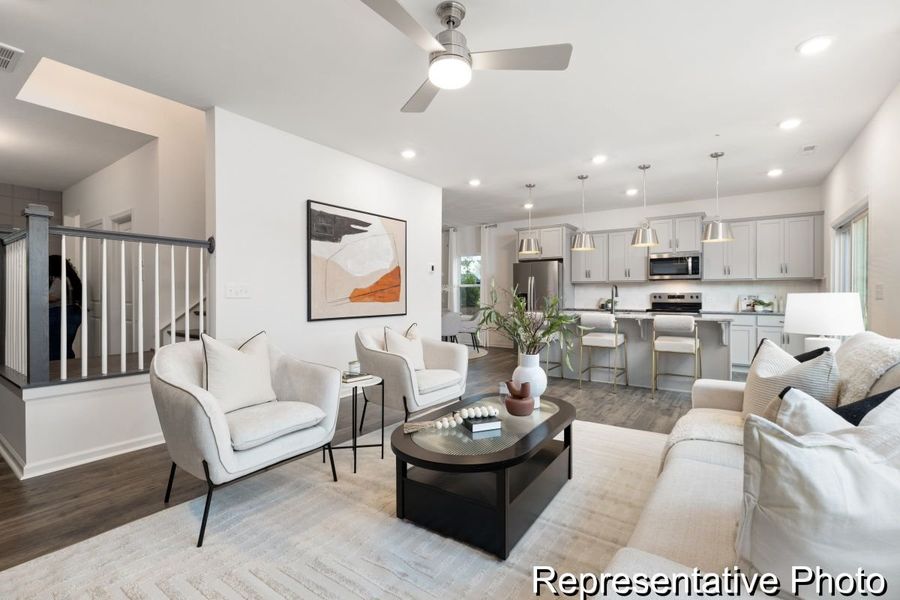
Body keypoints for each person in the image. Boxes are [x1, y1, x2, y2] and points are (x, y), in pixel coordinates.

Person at [49, 255, 83, 361]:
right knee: (65, 346)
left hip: (59, 314)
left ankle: (56, 369)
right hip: (72, 312)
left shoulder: (60, 279)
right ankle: (68, 368)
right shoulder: (70, 278)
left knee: (55, 349)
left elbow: (54, 296)